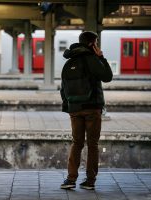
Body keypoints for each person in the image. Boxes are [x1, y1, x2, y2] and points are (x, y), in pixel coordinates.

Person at [60, 31, 113, 190]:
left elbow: (63, 89)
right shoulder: (93, 59)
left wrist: (69, 107)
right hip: (92, 108)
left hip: (75, 110)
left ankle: (70, 180)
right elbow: (107, 76)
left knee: (76, 143)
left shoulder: (69, 62)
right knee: (92, 144)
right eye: (96, 43)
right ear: (92, 44)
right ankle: (90, 181)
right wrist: (101, 57)